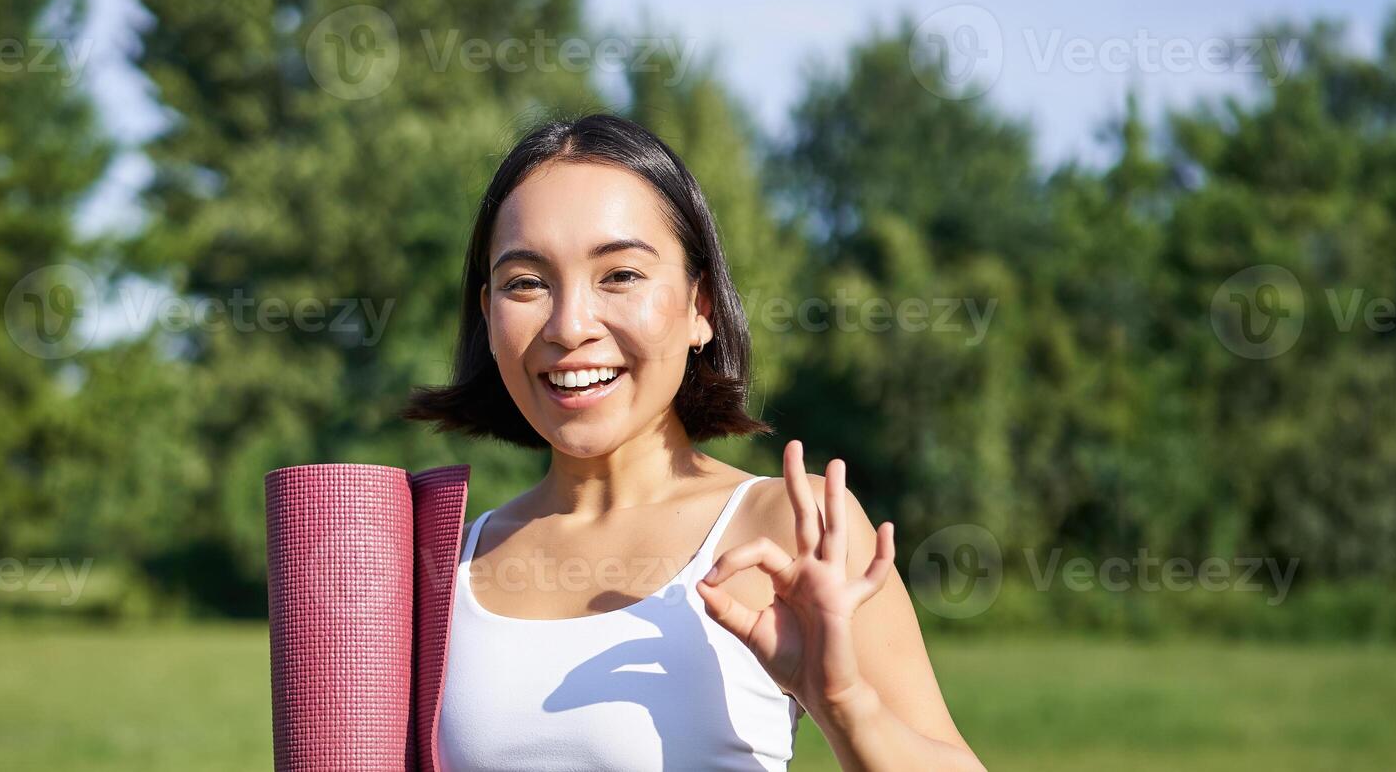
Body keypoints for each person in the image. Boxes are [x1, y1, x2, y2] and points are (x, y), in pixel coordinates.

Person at [406, 114, 986, 771]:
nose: (568, 327)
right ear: (487, 316)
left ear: (700, 307)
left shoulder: (791, 529)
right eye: (526, 283)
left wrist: (843, 701)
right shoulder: (438, 564)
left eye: (619, 275)